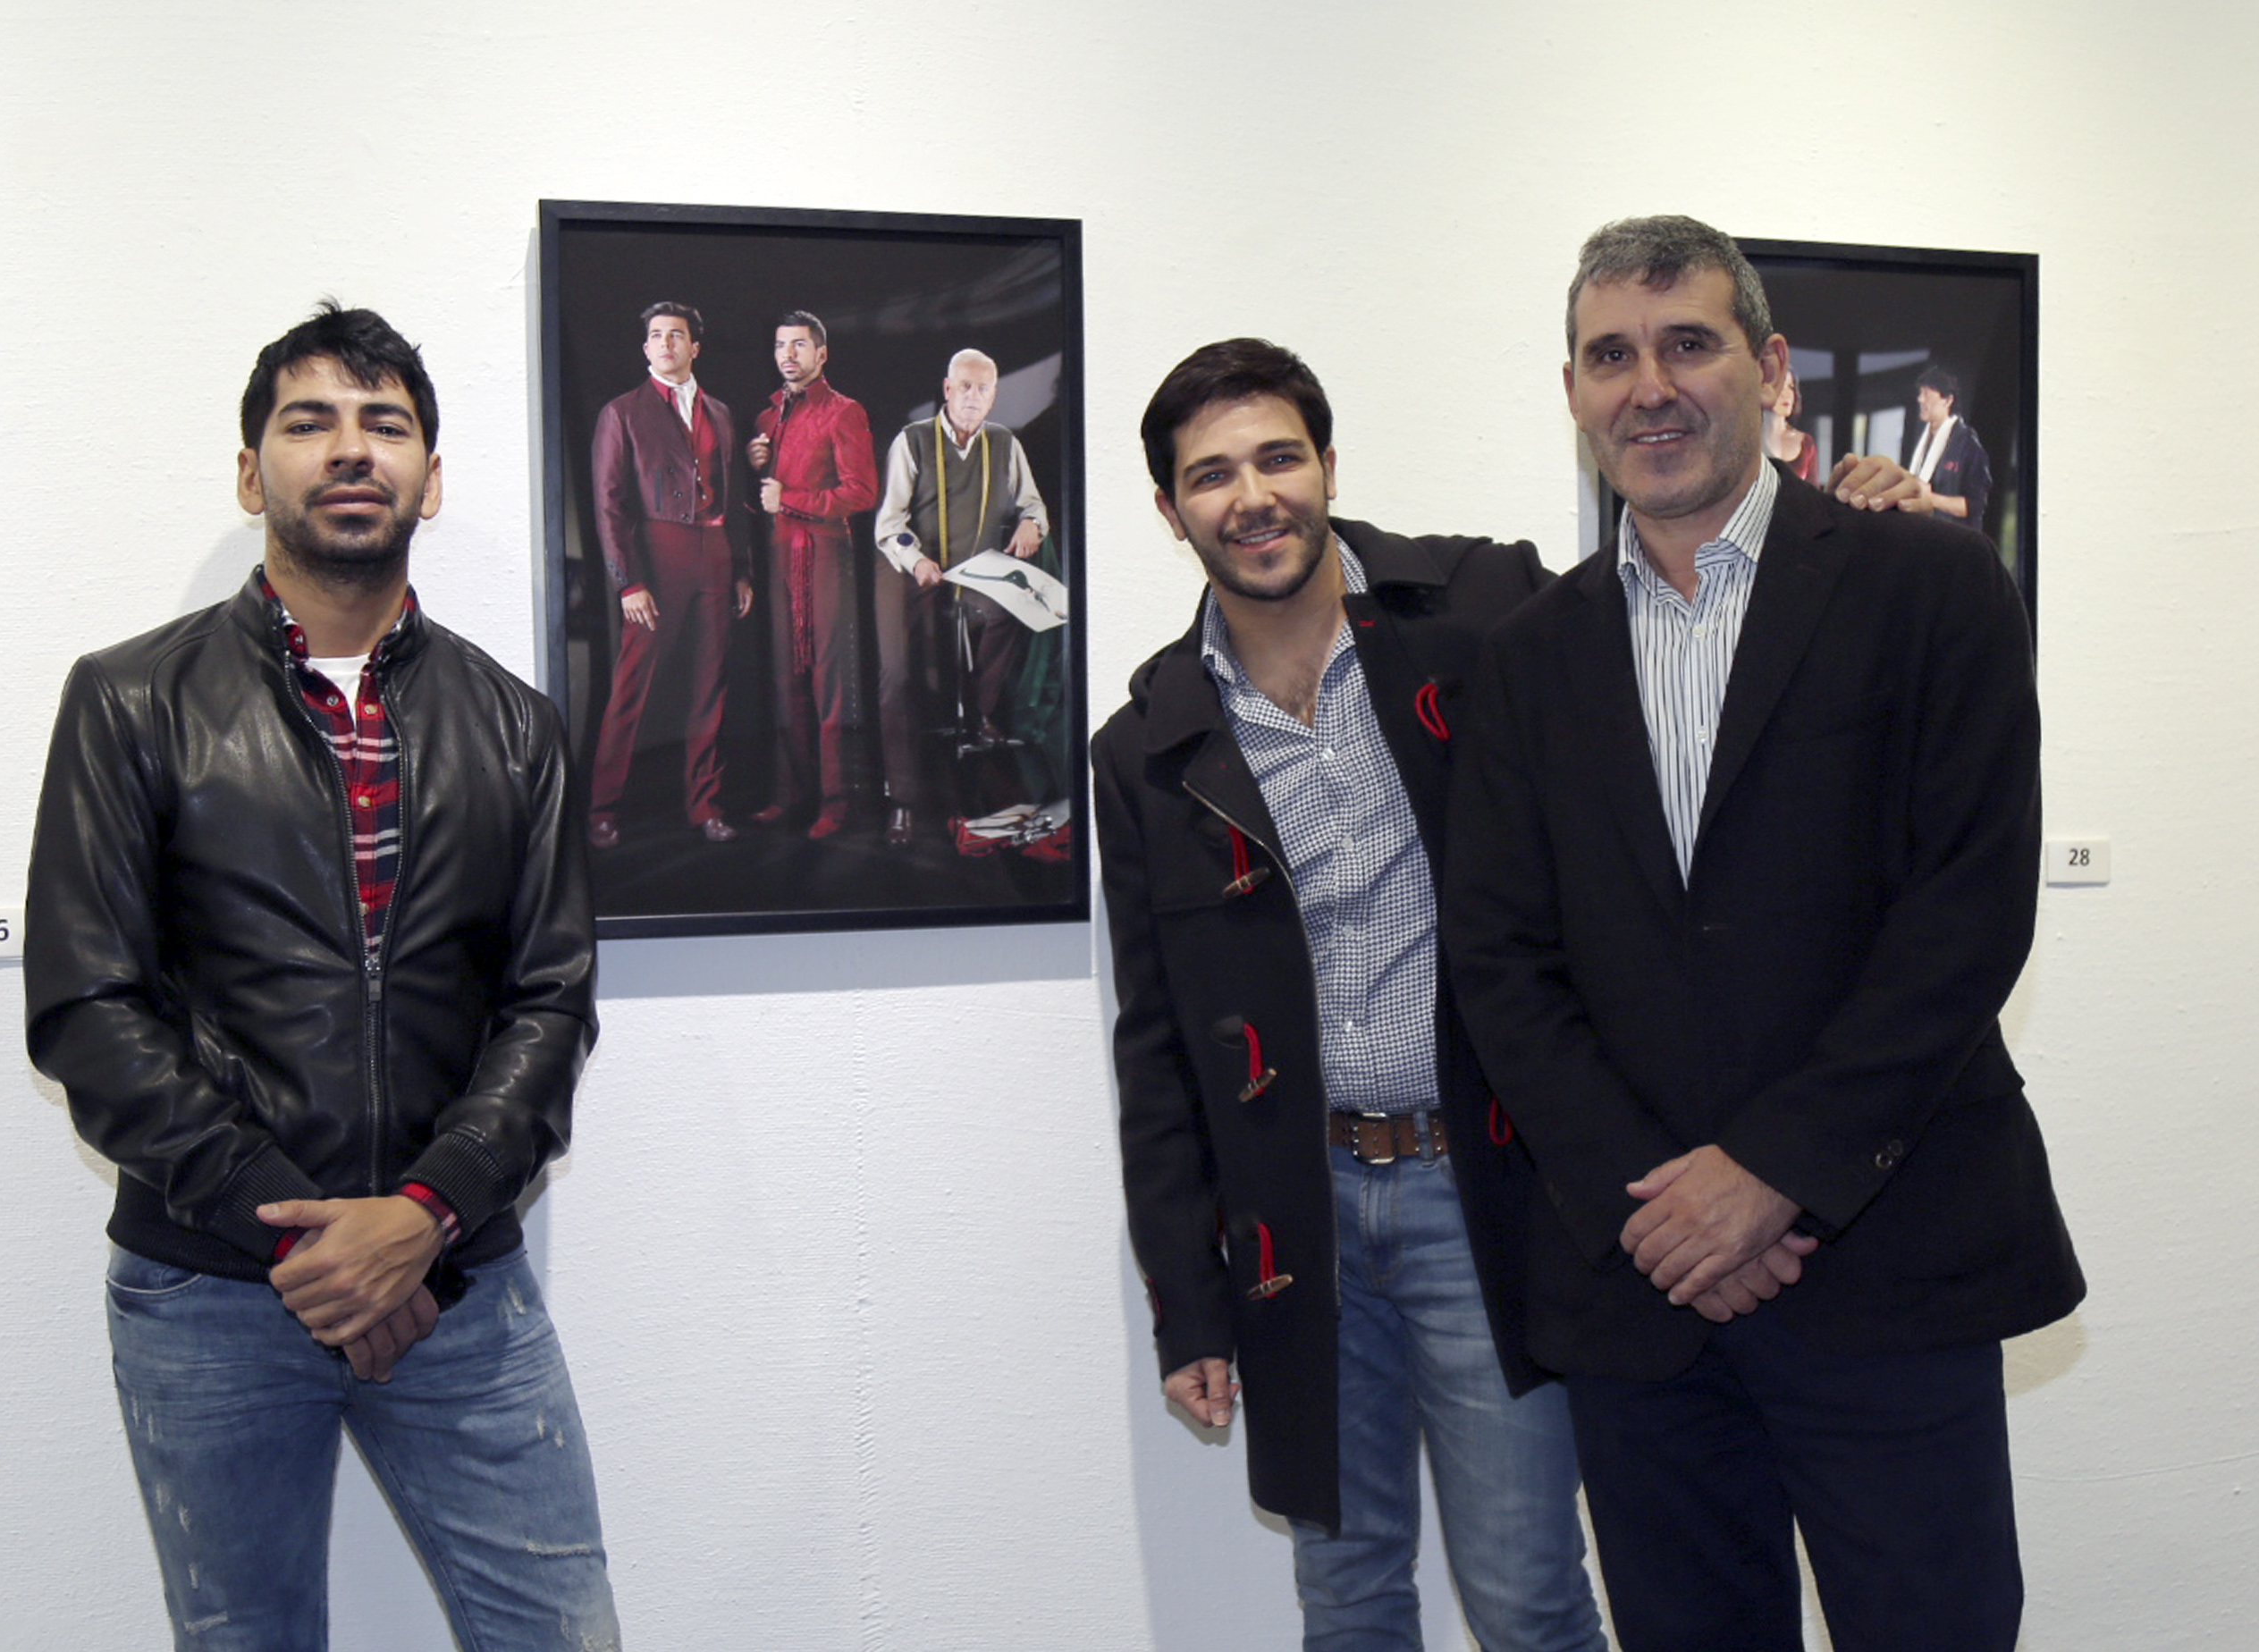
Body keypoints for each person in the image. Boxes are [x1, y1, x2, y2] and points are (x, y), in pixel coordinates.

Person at [1444, 215, 2082, 1652]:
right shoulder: (1529, 659)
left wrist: (1773, 1177)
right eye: (1611, 356)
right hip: (1642, 1291)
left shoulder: (1932, 589)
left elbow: (1967, 912)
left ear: (1770, 366)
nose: (1650, 387)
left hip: (1887, 1261)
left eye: (1688, 344)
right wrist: (1663, 1212)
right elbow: (1501, 962)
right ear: (1572, 391)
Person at [24, 302, 619, 1650]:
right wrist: (309, 1242)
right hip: (210, 1294)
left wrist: (424, 1215)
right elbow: (86, 1008)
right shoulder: (129, 701)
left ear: (430, 478)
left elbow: (550, 1001)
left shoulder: (517, 724)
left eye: (384, 425)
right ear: (252, 475)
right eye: (310, 423)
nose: (352, 450)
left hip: (457, 1279)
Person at [1093, 338, 1606, 1652]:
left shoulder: (1480, 607)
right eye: (1211, 475)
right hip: (1296, 1224)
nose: (1252, 496)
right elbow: (1157, 1050)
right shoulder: (1148, 746)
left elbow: (1666, 607)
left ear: (1327, 465)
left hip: (1480, 1200)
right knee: (1348, 1601)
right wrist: (1187, 1299)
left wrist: (1835, 517)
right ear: (1170, 511)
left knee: (1529, 1602)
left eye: (1278, 457)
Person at [586, 299, 754, 849]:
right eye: (656, 335)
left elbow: (736, 495)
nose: (665, 343)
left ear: (694, 347)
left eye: (676, 335)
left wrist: (741, 570)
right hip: (657, 554)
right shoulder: (621, 412)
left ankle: (706, 806)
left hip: (717, 550)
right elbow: (608, 505)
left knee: (710, 684)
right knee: (633, 684)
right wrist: (627, 581)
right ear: (646, 348)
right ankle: (603, 810)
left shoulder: (720, 412)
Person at [870, 348, 1050, 847]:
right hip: (907, 566)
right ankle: (903, 800)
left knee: (1012, 609)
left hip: (974, 569)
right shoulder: (912, 440)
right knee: (896, 677)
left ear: (993, 396)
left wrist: (1032, 524)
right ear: (948, 390)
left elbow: (1033, 504)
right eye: (964, 387)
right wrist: (917, 561)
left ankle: (977, 711)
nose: (973, 397)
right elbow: (889, 524)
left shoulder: (1005, 443)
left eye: (983, 389)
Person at [747, 308, 879, 838]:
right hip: (780, 556)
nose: (788, 354)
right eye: (781, 345)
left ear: (821, 354)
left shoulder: (844, 411)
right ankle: (790, 795)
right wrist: (757, 466)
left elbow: (862, 492)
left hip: (823, 555)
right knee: (786, 681)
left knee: (830, 682)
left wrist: (790, 499)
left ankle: (835, 804)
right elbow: (764, 501)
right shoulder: (768, 417)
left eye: (799, 345)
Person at [1911, 362, 1993, 526]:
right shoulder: (1922, 441)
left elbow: (1976, 506)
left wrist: (1931, 498)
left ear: (1948, 400)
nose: (1920, 399)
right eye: (1920, 393)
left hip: (1953, 537)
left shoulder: (1967, 443)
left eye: (1927, 394)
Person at [1764, 369, 1819, 481]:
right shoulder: (1749, 441)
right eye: (1780, 387)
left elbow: (1813, 488)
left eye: (1791, 387)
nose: (1787, 395)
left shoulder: (1805, 442)